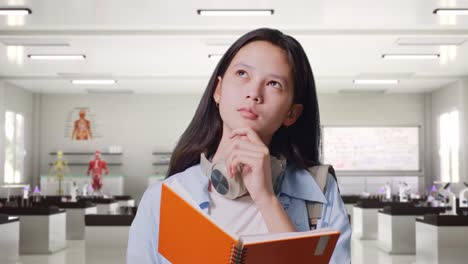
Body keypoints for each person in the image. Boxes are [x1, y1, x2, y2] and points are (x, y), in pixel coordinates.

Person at [127, 28, 351, 263]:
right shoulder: (164, 199)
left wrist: (266, 199)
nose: (254, 93)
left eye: (274, 83)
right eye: (242, 73)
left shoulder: (319, 194)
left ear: (291, 113)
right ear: (218, 90)